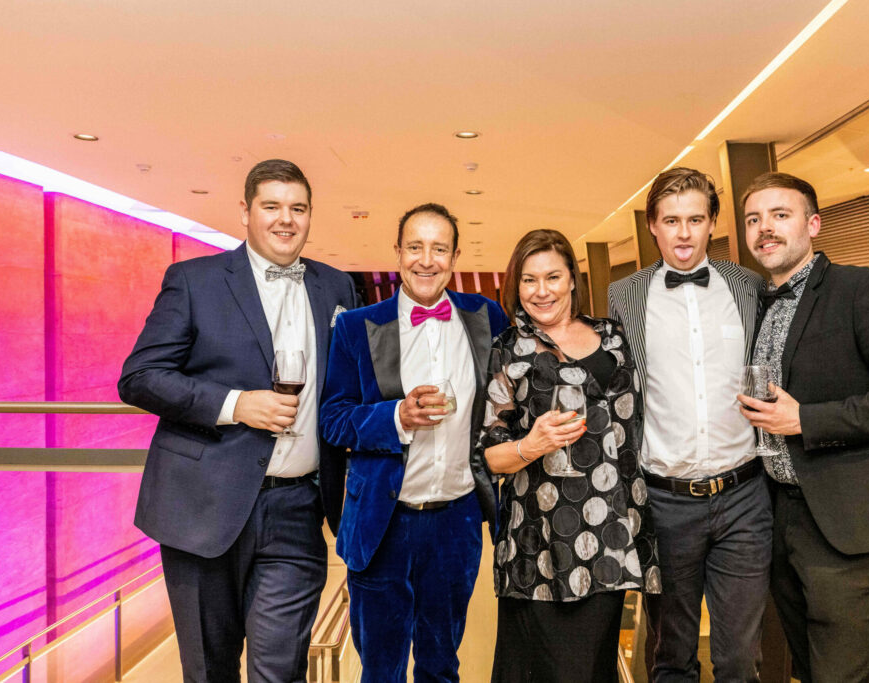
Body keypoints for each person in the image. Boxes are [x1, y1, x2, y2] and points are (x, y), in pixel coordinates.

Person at [118, 159, 358, 682]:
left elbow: (350, 387)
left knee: (281, 671)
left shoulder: (337, 287)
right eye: (272, 206)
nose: (286, 219)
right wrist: (235, 404)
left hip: (298, 508)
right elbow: (139, 377)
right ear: (246, 212)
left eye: (298, 208)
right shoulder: (194, 280)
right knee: (210, 670)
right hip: (201, 508)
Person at [737, 172, 869, 682]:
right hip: (781, 518)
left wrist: (805, 419)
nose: (765, 228)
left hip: (854, 526)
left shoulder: (861, 288)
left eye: (780, 215)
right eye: (754, 219)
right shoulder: (756, 304)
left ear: (813, 224)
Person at [319, 203, 509, 683]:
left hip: (457, 521)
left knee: (441, 665)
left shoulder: (486, 317)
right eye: (416, 247)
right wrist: (396, 416)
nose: (427, 260)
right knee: (380, 670)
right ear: (398, 252)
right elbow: (332, 420)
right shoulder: (357, 326)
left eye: (439, 249)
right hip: (382, 523)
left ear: (455, 257)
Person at [476, 229, 661, 683]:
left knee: (595, 666)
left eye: (553, 277)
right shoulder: (508, 349)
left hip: (613, 532)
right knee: (552, 670)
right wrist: (531, 444)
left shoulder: (613, 336)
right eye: (529, 279)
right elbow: (489, 457)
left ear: (573, 280)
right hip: (542, 542)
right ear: (516, 286)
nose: (542, 291)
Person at [608, 167, 769, 682]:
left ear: (712, 223)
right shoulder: (624, 296)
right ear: (652, 226)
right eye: (671, 220)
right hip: (665, 501)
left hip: (744, 497)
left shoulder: (748, 287)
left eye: (695, 219)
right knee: (671, 655)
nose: (683, 233)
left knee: (740, 658)